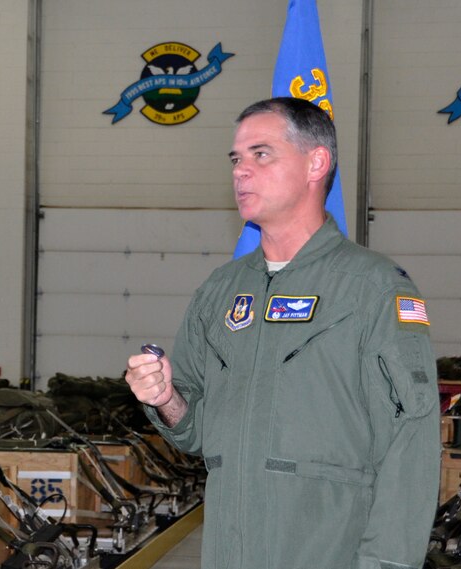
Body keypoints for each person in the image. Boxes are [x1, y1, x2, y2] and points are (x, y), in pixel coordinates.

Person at [126, 97, 439, 569]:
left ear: (316, 162)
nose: (240, 171)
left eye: (261, 153)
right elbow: (195, 434)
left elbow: (410, 441)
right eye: (236, 158)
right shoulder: (221, 292)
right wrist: (166, 397)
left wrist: (388, 564)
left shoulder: (372, 289)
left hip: (330, 552)